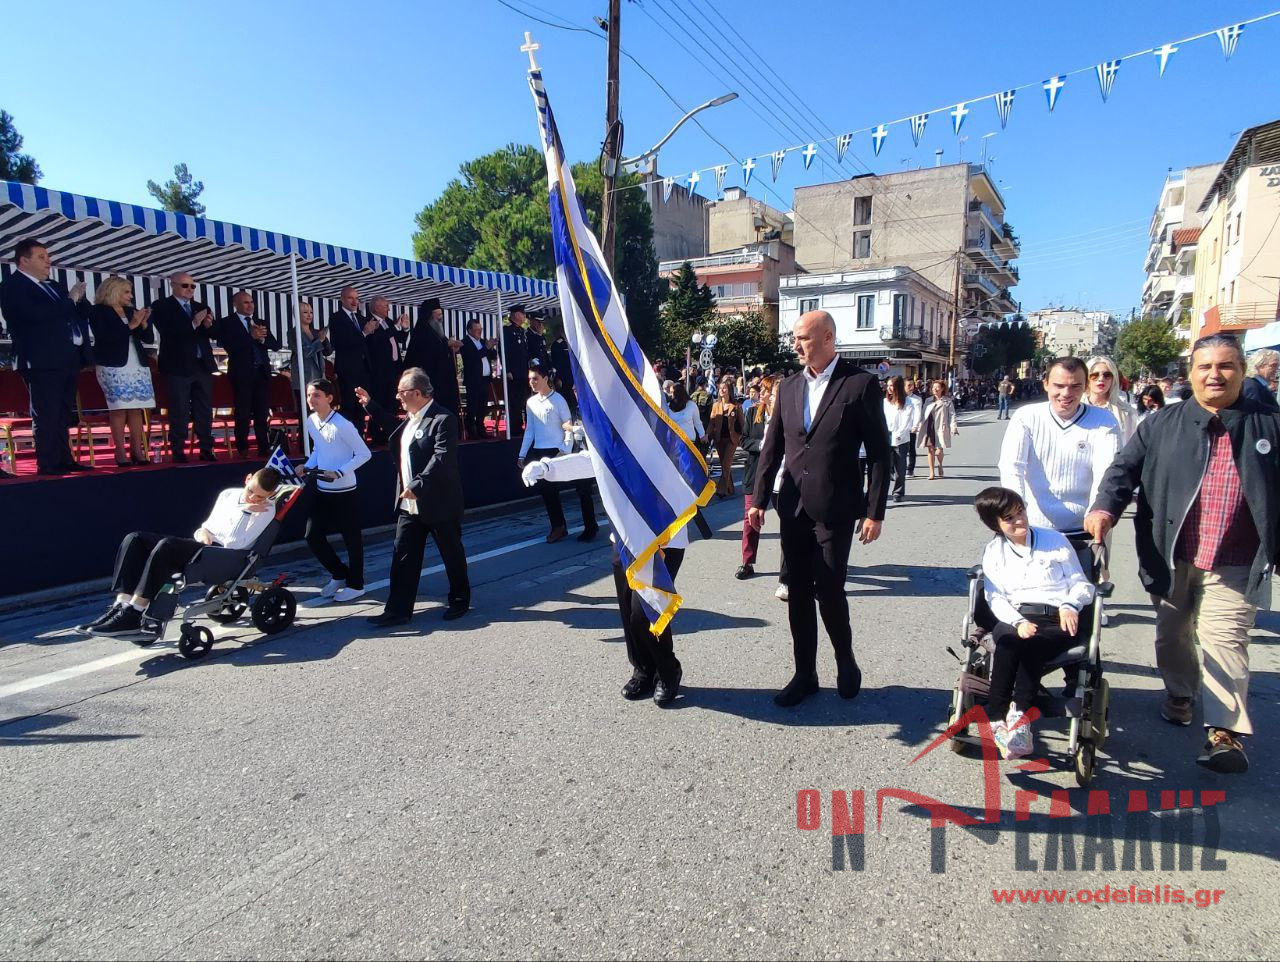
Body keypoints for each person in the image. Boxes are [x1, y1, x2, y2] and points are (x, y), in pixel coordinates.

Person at [1086, 333, 1280, 775]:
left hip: (1237, 558)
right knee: (1173, 633)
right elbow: (1123, 470)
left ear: (1242, 371)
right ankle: (1180, 692)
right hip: (1170, 552)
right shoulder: (1162, 424)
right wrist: (1104, 507)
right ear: (1190, 373)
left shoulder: (1269, 425)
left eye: (1226, 366)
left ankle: (1224, 733)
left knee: (1225, 639)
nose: (1215, 375)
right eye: (1205, 366)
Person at [748, 310, 891, 707]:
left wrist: (875, 511)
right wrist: (759, 499)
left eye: (804, 338)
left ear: (828, 338)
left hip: (836, 506)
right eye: (795, 338)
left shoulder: (859, 384)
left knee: (829, 590)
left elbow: (880, 453)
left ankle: (845, 659)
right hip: (793, 506)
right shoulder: (789, 386)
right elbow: (772, 447)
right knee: (797, 594)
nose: (796, 345)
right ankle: (805, 674)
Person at [521, 449, 691, 706]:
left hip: (663, 536)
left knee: (645, 611)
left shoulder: (659, 427)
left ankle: (668, 671)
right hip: (625, 538)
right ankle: (643, 670)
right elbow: (592, 459)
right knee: (627, 609)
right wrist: (547, 468)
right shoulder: (613, 429)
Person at [82, 467, 283, 635]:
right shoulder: (228, 494)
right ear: (247, 479)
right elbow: (206, 526)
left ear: (270, 495)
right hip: (202, 546)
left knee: (167, 546)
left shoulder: (267, 511)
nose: (253, 498)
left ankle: (135, 611)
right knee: (134, 539)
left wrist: (246, 512)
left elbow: (234, 544)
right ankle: (122, 605)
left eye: (260, 496)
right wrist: (202, 532)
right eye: (250, 491)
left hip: (226, 557)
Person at [974, 486, 1094, 759]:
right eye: (1009, 517)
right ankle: (998, 720)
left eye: (1021, 511)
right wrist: (1017, 621)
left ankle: (1018, 717)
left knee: (1034, 644)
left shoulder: (1055, 540)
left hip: (1057, 616)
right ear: (995, 524)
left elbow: (1081, 583)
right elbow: (995, 596)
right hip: (1014, 615)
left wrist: (1070, 605)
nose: (1020, 520)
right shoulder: (994, 551)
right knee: (1009, 641)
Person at [358, 368, 470, 626]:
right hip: (410, 504)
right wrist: (370, 405)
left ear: (417, 393)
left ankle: (459, 600)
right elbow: (391, 425)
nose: (397, 396)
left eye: (402, 392)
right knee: (403, 556)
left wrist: (418, 484)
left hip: (438, 501)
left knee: (451, 554)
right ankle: (398, 610)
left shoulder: (443, 419)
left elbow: (441, 458)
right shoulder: (411, 419)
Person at [997, 357, 1119, 538]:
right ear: (1046, 384)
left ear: (1085, 387)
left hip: (1085, 527)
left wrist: (1097, 511)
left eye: (1075, 386)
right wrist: (1017, 512)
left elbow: (1107, 471)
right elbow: (1012, 467)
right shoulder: (1026, 416)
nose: (1066, 393)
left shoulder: (1104, 420)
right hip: (1033, 527)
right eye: (1059, 386)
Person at [0, 238, 93, 474]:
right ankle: (49, 462)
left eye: (48, 256)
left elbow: (78, 312)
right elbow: (33, 315)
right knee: (46, 412)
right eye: (41, 257)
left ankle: (65, 459)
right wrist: (69, 300)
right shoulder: (12, 286)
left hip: (67, 357)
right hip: (40, 359)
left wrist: (79, 299)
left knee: (63, 412)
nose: (48, 262)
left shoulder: (53, 286)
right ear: (24, 261)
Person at [297, 378, 371, 603]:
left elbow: (364, 454)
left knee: (351, 539)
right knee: (312, 536)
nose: (311, 399)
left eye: (316, 395)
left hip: (345, 491)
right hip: (322, 490)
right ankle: (339, 574)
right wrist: (307, 466)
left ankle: (356, 585)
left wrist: (339, 472)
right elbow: (319, 449)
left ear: (329, 398)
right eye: (309, 395)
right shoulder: (311, 421)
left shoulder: (343, 424)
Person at [517, 360, 597, 543]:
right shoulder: (530, 402)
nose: (532, 382)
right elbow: (530, 430)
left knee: (582, 488)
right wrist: (522, 454)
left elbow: (567, 425)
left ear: (545, 379)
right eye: (530, 379)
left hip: (559, 450)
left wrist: (565, 450)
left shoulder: (558, 400)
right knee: (548, 492)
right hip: (540, 450)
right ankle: (558, 526)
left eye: (535, 379)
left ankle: (591, 525)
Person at [150, 271, 217, 462]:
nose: (190, 289)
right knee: (179, 409)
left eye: (192, 286)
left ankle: (206, 448)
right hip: (177, 366)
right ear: (173, 285)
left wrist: (209, 325)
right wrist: (193, 323)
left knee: (204, 408)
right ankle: (178, 449)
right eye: (185, 285)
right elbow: (168, 332)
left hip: (201, 364)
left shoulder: (200, 306)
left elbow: (212, 334)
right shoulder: (161, 306)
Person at [87, 276, 155, 466]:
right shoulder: (98, 311)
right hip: (112, 364)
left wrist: (144, 323)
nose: (131, 296)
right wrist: (131, 325)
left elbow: (148, 339)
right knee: (119, 408)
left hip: (136, 363)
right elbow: (105, 337)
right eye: (126, 292)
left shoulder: (131, 310)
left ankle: (137, 450)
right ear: (113, 291)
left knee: (136, 409)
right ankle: (120, 451)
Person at [216, 291, 280, 458]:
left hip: (261, 372)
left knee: (262, 412)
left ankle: (263, 447)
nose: (250, 305)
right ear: (235, 304)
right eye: (245, 302)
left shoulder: (260, 322)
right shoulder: (227, 322)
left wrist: (262, 339)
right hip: (241, 373)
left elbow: (275, 345)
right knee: (243, 412)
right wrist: (250, 336)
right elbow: (229, 346)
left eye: (251, 302)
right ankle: (242, 447)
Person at [737, 375, 777, 579]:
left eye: (766, 390)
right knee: (750, 518)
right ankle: (747, 561)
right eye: (760, 389)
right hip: (755, 472)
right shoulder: (753, 412)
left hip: (780, 473)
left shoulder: (786, 414)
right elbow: (744, 440)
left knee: (790, 520)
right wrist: (762, 445)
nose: (761, 393)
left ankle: (791, 568)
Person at [403, 297, 461, 420]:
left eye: (441, 314)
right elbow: (426, 354)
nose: (441, 317)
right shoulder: (421, 332)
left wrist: (452, 348)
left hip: (445, 381)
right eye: (438, 314)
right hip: (431, 382)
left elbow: (443, 350)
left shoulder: (439, 332)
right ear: (430, 315)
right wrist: (446, 345)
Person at [328, 286, 372, 439]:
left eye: (356, 298)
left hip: (363, 369)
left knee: (361, 406)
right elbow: (341, 342)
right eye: (350, 298)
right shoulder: (336, 318)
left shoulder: (361, 318)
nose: (354, 302)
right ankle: (346, 439)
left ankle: (359, 438)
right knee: (349, 405)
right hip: (347, 369)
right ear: (342, 299)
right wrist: (364, 333)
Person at [363, 295, 407, 442]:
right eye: (385, 306)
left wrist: (404, 329)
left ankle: (390, 432)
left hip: (393, 369)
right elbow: (377, 341)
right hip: (379, 371)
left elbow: (398, 338)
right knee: (379, 402)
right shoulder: (370, 322)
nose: (388, 309)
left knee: (392, 403)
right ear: (376, 307)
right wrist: (395, 327)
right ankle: (375, 435)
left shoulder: (388, 321)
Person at [1086, 356, 1138, 444]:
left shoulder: (1127, 412)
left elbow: (1129, 446)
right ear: (1086, 378)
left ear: (1113, 379)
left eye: (1107, 375)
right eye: (1094, 375)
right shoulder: (1075, 409)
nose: (1101, 379)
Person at [708, 376, 745, 498]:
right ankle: (730, 489)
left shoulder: (736, 406)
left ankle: (721, 490)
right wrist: (707, 434)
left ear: (729, 390)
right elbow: (711, 423)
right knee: (725, 465)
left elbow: (742, 424)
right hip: (719, 439)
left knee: (726, 464)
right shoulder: (716, 405)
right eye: (720, 388)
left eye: (724, 388)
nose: (722, 390)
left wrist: (742, 437)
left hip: (732, 440)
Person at [459, 319, 493, 440]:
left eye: (480, 329)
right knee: (472, 406)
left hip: (485, 379)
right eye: (476, 329)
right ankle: (471, 431)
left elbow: (491, 356)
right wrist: (486, 348)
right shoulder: (465, 342)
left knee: (482, 407)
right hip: (473, 380)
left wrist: (491, 348)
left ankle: (481, 429)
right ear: (469, 330)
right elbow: (473, 358)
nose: (479, 332)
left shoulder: (482, 341)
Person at [882, 376, 913, 504]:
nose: (889, 388)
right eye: (888, 385)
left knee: (900, 469)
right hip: (885, 436)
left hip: (900, 438)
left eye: (892, 385)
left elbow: (907, 421)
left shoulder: (907, 402)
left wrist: (899, 434)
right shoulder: (885, 401)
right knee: (884, 468)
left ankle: (898, 492)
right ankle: (882, 492)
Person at [919, 379, 958, 480]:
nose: (935, 389)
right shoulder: (928, 400)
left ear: (942, 389)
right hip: (929, 427)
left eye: (937, 387)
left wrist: (953, 426)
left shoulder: (947, 401)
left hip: (941, 427)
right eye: (933, 387)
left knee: (939, 450)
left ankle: (940, 464)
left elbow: (952, 415)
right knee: (930, 449)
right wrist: (919, 425)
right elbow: (923, 414)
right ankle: (931, 472)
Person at [502, 305, 530, 432]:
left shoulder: (522, 331)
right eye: (522, 313)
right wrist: (507, 369)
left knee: (524, 399)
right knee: (515, 401)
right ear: (516, 315)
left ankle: (524, 425)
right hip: (513, 372)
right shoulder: (507, 330)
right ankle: (515, 428)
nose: (524, 316)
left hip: (523, 371)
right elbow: (504, 351)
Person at [291, 302, 332, 386]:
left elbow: (328, 352)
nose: (309, 315)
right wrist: (319, 341)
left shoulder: (316, 332)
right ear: (297, 314)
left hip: (319, 377)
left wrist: (324, 339)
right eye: (305, 312)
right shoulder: (293, 333)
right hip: (303, 378)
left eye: (311, 312)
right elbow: (304, 353)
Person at [665, 382, 705, 453]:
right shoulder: (667, 406)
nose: (671, 395)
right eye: (670, 392)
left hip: (689, 443)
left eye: (672, 392)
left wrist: (702, 435)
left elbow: (697, 423)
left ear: (679, 393)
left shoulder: (692, 405)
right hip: (673, 443)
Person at [1242, 348, 1279, 412]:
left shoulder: (1258, 385)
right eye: (1274, 365)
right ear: (1260, 365)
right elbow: (1253, 414)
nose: (1276, 369)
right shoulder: (1252, 387)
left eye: (1278, 366)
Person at [903, 378, 923, 477]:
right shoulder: (899, 397)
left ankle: (910, 469)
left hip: (911, 428)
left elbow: (917, 414)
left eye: (912, 385)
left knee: (911, 449)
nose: (911, 387)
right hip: (900, 428)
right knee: (898, 449)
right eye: (908, 385)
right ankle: (897, 469)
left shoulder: (917, 399)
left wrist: (915, 426)